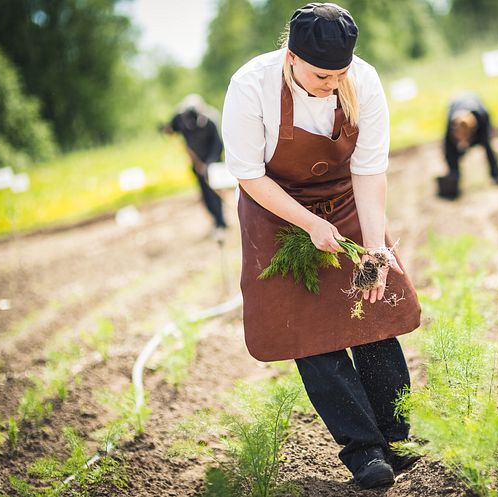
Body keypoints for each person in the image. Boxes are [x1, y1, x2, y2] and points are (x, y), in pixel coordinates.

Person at [222, 3, 421, 489]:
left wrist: (374, 245)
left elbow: (369, 166)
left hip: (348, 201)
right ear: (291, 57)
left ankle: (396, 439)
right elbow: (247, 173)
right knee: (309, 332)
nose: (331, 83)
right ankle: (364, 450)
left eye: (339, 74)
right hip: (277, 213)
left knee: (372, 312)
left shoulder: (364, 81)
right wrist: (309, 223)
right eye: (320, 75)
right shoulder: (251, 87)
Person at [161, 94, 227, 238]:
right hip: (197, 165)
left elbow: (218, 145)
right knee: (205, 194)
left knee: (214, 193)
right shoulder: (181, 118)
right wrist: (166, 129)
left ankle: (221, 222)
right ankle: (216, 221)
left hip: (212, 163)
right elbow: (171, 128)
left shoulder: (210, 120)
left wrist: (209, 164)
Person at [437, 92, 498, 199]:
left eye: (464, 136)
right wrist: (453, 172)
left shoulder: (482, 119)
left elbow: (488, 146)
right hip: (456, 103)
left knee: (488, 146)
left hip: (476, 105)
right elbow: (447, 152)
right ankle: (455, 181)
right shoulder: (451, 125)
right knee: (452, 152)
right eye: (459, 136)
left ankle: (496, 175)